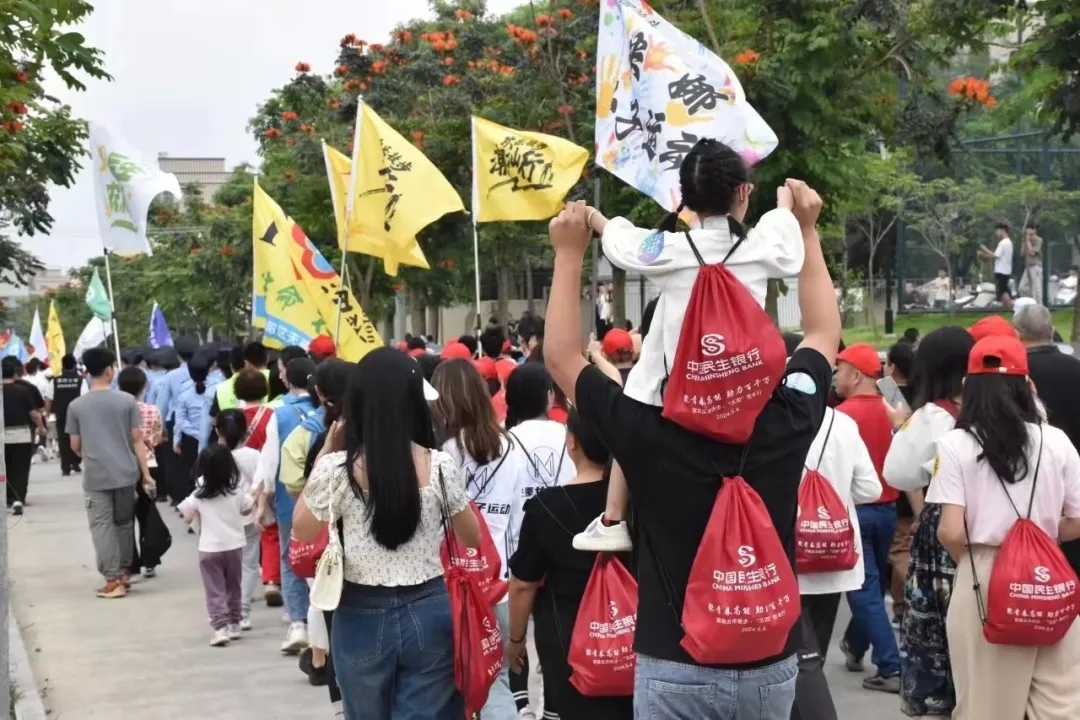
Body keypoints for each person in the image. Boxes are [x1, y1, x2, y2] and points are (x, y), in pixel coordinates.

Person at [541, 181, 837, 717]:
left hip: (675, 664)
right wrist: (808, 231)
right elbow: (821, 335)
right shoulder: (790, 415)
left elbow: (562, 356)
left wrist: (568, 254)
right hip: (770, 665)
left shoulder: (643, 430)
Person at [574, 139, 804, 550]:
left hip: (677, 405)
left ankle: (613, 517)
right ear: (743, 191)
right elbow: (787, 243)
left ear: (685, 198)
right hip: (745, 395)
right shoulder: (760, 246)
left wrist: (593, 217)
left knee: (642, 381)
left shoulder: (670, 250)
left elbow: (625, 244)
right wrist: (785, 207)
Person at [292, 347, 482, 720]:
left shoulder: (336, 470)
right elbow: (472, 537)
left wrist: (326, 453)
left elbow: (301, 528)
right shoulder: (440, 466)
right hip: (429, 609)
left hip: (358, 612)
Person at [929, 335, 1080, 719]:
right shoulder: (1057, 441)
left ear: (969, 387)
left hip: (983, 575)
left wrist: (977, 562)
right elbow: (1078, 520)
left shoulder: (954, 444)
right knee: (1060, 704)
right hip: (1048, 575)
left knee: (986, 705)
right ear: (1027, 385)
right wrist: (1039, 542)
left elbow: (950, 531)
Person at [507, 407, 634, 720]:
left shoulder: (545, 507)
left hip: (569, 645)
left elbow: (523, 584)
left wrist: (516, 640)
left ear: (572, 442)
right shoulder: (637, 500)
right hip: (631, 637)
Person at [882, 325, 973, 717]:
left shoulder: (935, 415)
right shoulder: (1011, 407)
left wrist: (902, 427)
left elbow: (898, 473)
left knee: (939, 633)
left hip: (945, 533)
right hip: (995, 531)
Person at [431, 357, 526, 719]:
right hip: (498, 583)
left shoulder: (441, 454)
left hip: (448, 583)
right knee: (496, 680)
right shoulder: (511, 447)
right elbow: (518, 519)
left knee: (444, 683)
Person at [792, 405, 882, 720]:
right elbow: (871, 489)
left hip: (789, 557)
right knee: (813, 655)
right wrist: (836, 495)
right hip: (835, 555)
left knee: (798, 660)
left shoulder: (771, 416)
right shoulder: (842, 424)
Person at [832, 342, 900, 693]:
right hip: (888, 510)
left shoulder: (841, 417)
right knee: (870, 585)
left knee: (862, 591)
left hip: (855, 511)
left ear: (856, 375)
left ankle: (891, 666)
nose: (835, 377)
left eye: (840, 370)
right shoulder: (896, 412)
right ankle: (855, 645)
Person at [66, 347, 156, 598]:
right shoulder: (127, 401)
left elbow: (74, 444)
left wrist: (89, 453)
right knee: (124, 523)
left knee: (101, 526)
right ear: (108, 370)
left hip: (96, 475)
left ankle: (112, 579)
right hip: (126, 472)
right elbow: (137, 439)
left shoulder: (76, 406)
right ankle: (125, 572)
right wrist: (146, 474)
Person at [254, 356, 318, 654]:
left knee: (291, 560)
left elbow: (268, 466)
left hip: (289, 501)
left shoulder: (278, 415)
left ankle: (298, 624)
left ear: (286, 379)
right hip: (327, 500)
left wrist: (261, 500)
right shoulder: (328, 411)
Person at [1015, 303, 1080, 575]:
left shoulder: (1015, 377)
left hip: (1028, 485)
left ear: (1017, 335)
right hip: (1074, 485)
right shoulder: (1075, 368)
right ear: (1052, 331)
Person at [180, 444, 255, 646]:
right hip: (234, 546)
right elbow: (247, 509)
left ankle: (220, 627)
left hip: (209, 548)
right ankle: (235, 623)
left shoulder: (198, 495)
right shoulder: (236, 492)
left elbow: (187, 517)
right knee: (233, 585)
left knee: (214, 589)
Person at [117, 366, 169, 579]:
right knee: (147, 514)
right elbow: (157, 437)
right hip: (149, 464)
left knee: (125, 517)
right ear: (144, 387)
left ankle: (130, 563)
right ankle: (150, 560)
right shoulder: (152, 410)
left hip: (124, 465)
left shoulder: (117, 412)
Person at [211, 409, 261, 630]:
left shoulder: (212, 455)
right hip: (247, 515)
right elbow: (261, 484)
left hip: (219, 519)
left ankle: (226, 613)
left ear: (217, 431)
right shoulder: (254, 455)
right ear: (246, 431)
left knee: (222, 566)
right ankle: (242, 611)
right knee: (248, 564)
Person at [3, 356, 46, 515]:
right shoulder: (23, 391)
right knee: (20, 468)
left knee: (5, 467)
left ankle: (7, 497)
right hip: (21, 434)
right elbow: (34, 414)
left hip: (1, 436)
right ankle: (18, 499)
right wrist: (41, 427)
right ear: (15, 372)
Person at [172, 357, 216, 503]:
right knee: (212, 473)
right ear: (208, 370)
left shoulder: (184, 392)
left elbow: (180, 420)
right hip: (213, 437)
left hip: (190, 439)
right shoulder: (218, 387)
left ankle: (192, 505)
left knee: (191, 474)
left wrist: (178, 438)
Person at [51, 353, 84, 477]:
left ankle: (65, 467)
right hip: (77, 416)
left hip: (61, 415)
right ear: (75, 365)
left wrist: (48, 412)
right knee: (78, 438)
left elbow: (49, 398)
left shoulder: (55, 381)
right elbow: (85, 397)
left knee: (63, 441)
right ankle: (75, 462)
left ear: (62, 366)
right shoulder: (81, 381)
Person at [978, 222, 1014, 309]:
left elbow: (995, 256)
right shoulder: (1009, 242)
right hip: (1005, 270)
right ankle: (1006, 307)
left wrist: (984, 249)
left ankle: (1010, 306)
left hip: (1001, 271)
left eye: (997, 231)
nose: (996, 234)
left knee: (1003, 291)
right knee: (1003, 290)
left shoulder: (1003, 243)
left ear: (1003, 231)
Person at [1018, 223, 1043, 304]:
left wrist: (1028, 241)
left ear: (1034, 230)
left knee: (1036, 290)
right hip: (1028, 267)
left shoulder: (1038, 240)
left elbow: (1032, 253)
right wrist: (1024, 242)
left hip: (1036, 266)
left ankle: (1039, 307)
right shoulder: (1025, 241)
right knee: (1022, 288)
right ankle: (1029, 304)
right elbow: (1022, 254)